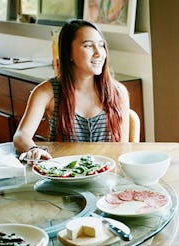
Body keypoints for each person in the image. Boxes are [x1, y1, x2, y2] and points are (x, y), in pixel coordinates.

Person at [14, 19, 130, 162]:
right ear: (68, 53)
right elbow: (21, 135)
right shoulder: (47, 92)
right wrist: (32, 149)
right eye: (88, 46)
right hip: (64, 175)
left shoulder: (118, 92)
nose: (99, 53)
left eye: (101, 45)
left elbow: (122, 149)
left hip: (107, 175)